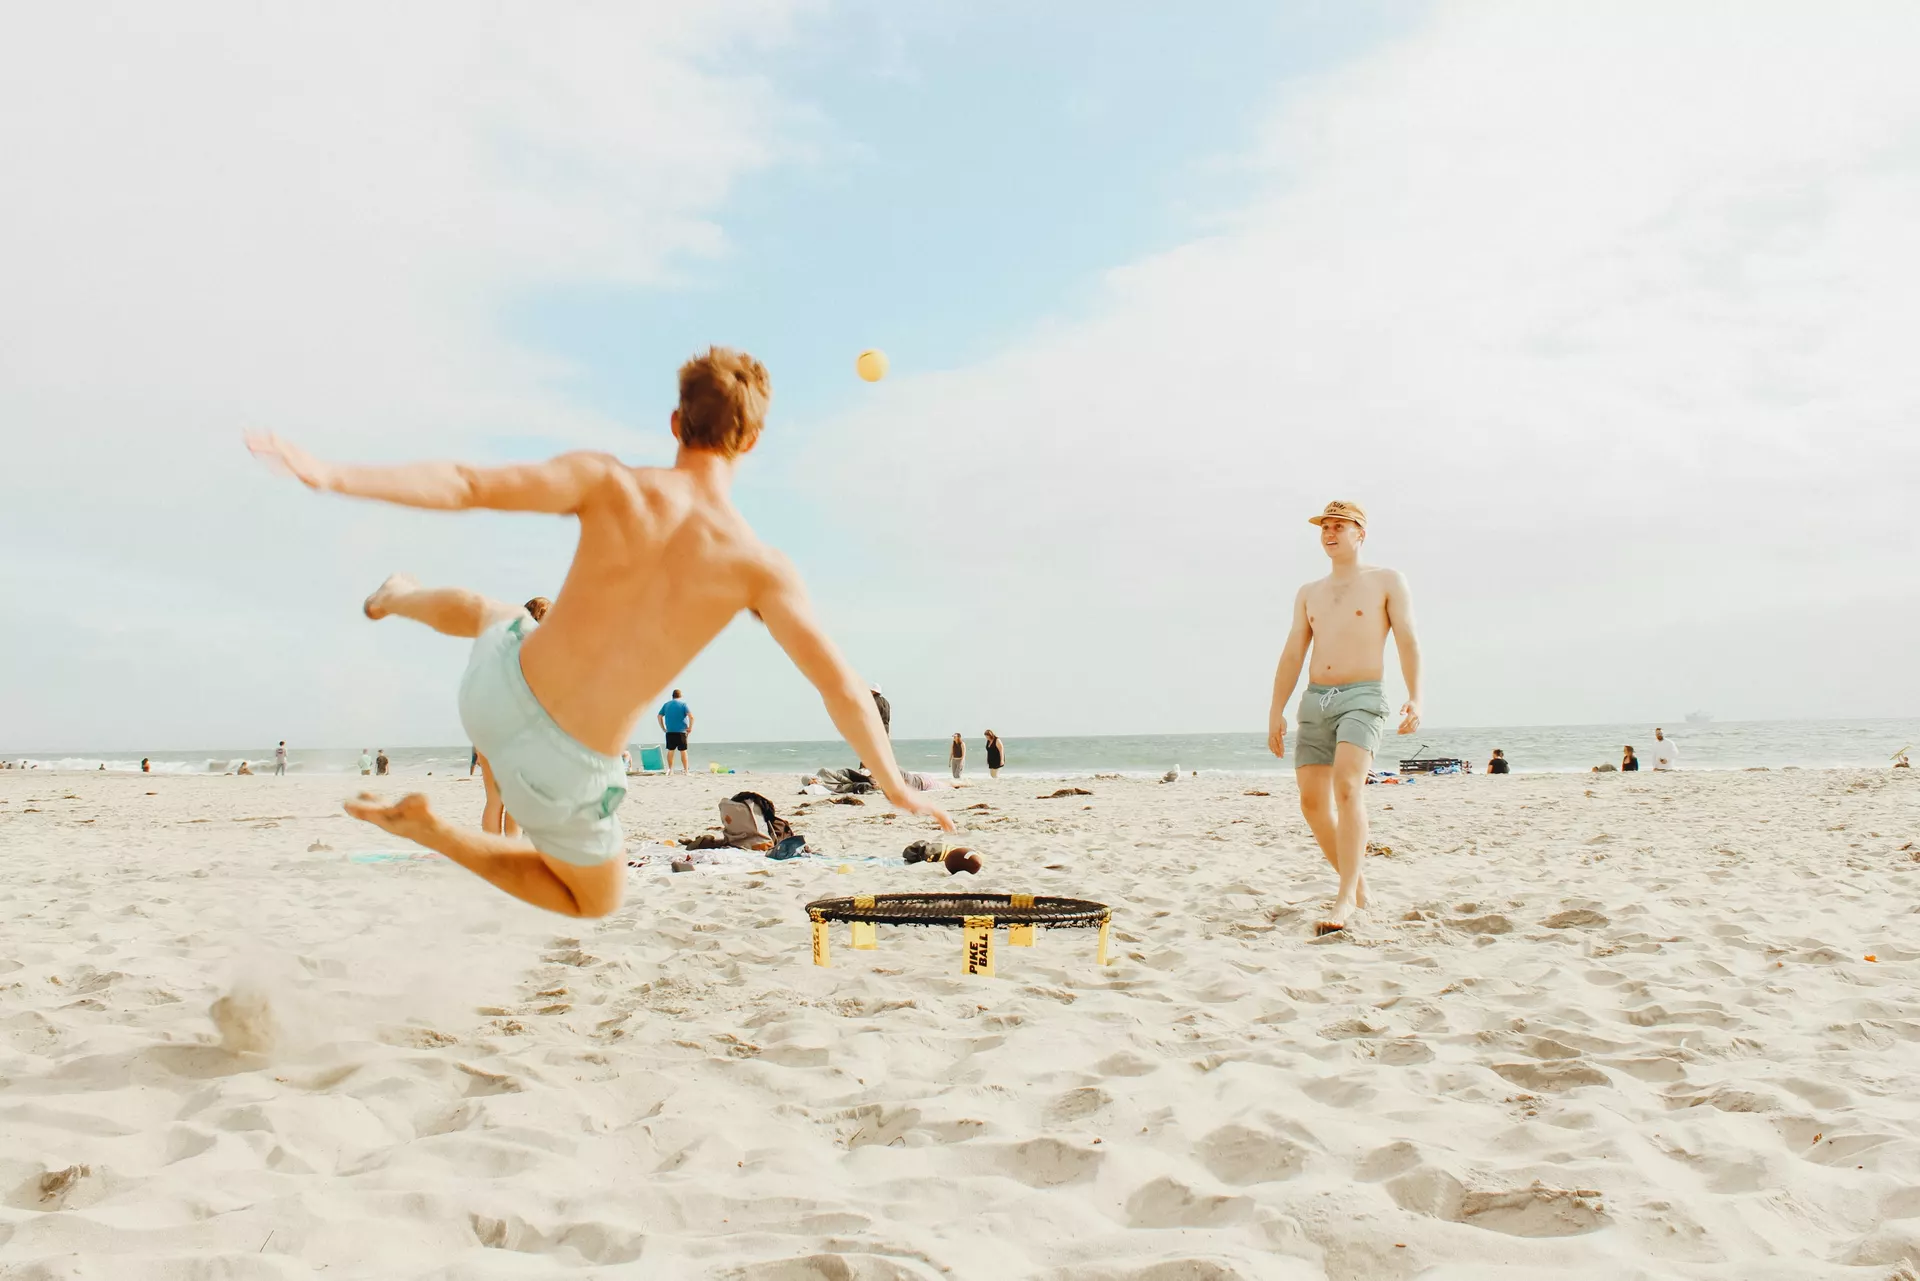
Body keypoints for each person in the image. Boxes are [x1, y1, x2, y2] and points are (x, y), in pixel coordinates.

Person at [247, 345, 951, 918]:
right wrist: (894, 783)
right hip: (566, 769)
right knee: (594, 898)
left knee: (503, 616)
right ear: (754, 439)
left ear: (675, 422)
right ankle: (435, 832)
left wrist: (330, 472)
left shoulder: (607, 482)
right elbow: (842, 688)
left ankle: (400, 596)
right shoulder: (758, 567)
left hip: (492, 693)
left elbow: (465, 483)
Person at [1266, 500, 1422, 937]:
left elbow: (1408, 639)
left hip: (1363, 696)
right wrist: (1276, 710)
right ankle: (1360, 888)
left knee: (1349, 788)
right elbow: (1294, 650)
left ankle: (1344, 896)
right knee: (1312, 803)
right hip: (1315, 701)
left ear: (1360, 533)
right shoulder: (1308, 592)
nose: (1330, 533)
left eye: (1340, 526)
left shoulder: (1387, 580)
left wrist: (1416, 697)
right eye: (1324, 527)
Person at [657, 689, 694, 774]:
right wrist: (690, 728)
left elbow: (659, 716)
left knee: (670, 750)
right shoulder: (683, 705)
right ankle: (686, 770)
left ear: (672, 696)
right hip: (681, 732)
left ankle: (670, 770)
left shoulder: (666, 705)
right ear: (680, 696)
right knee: (683, 751)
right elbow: (691, 717)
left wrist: (663, 728)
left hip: (670, 731)